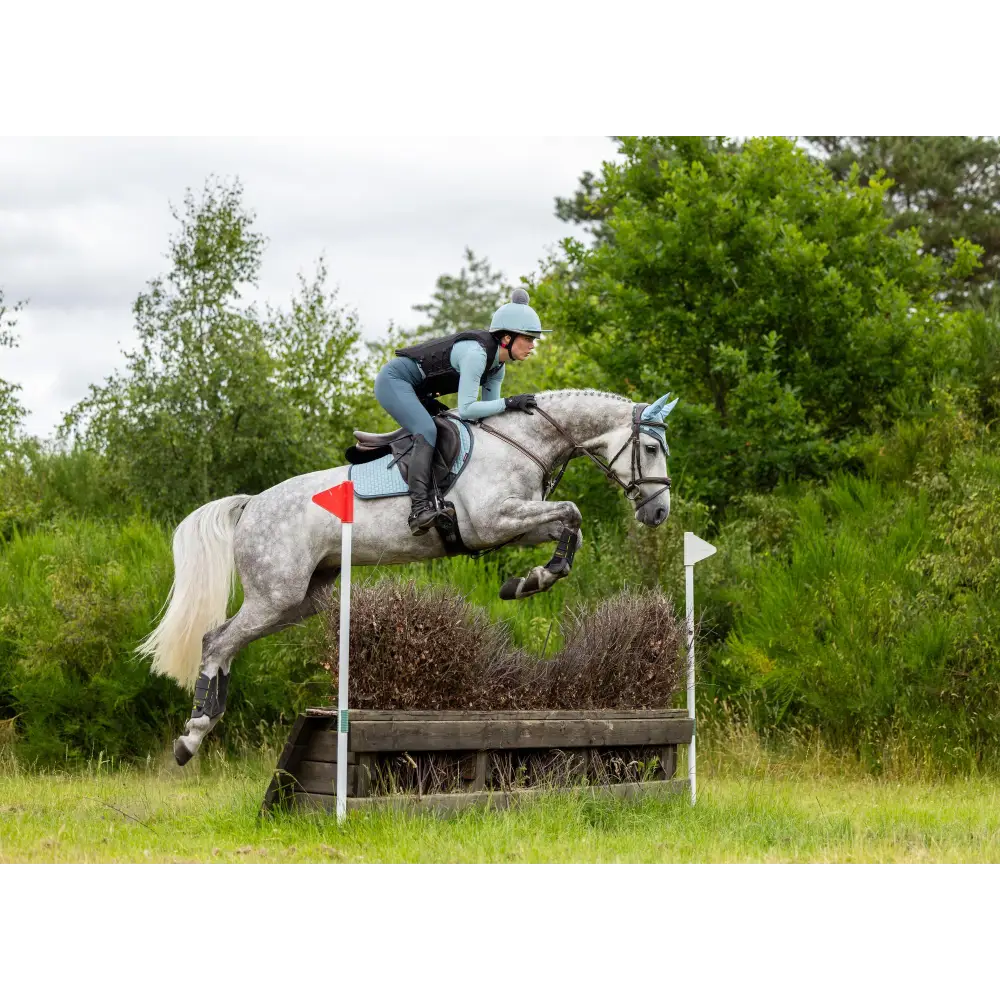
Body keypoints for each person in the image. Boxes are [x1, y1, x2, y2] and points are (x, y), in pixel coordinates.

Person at [374, 288, 548, 535]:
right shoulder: (476, 354)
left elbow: (485, 418)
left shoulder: (497, 368)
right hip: (394, 381)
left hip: (419, 391)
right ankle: (419, 509)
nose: (532, 345)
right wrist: (510, 403)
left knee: (448, 428)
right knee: (427, 429)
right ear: (507, 339)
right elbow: (467, 409)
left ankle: (439, 496)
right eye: (528, 338)